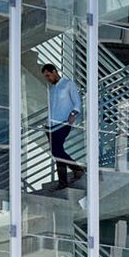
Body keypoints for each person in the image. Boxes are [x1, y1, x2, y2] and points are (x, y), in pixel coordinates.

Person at [41, 60, 82, 191]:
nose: (47, 79)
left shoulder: (68, 84)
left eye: (48, 75)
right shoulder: (51, 89)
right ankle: (64, 182)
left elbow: (77, 102)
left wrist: (73, 114)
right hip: (50, 126)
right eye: (45, 77)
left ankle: (77, 170)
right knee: (57, 153)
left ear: (54, 72)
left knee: (57, 151)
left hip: (63, 123)